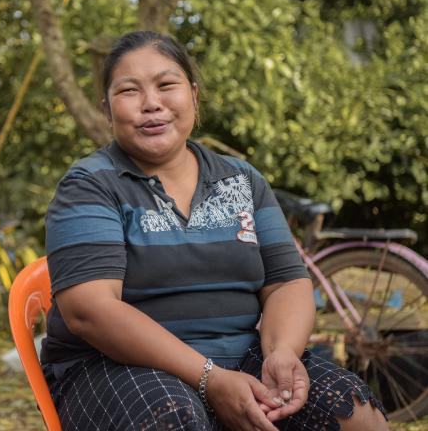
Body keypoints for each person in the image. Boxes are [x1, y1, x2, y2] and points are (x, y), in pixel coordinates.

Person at [40, 31, 388, 431]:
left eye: (166, 85)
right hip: (113, 369)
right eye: (129, 91)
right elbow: (91, 310)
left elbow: (286, 282)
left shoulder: (242, 179)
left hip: (240, 359)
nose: (151, 103)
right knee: (174, 418)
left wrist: (281, 353)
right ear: (107, 109)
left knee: (356, 415)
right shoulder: (90, 185)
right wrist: (210, 379)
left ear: (194, 95)